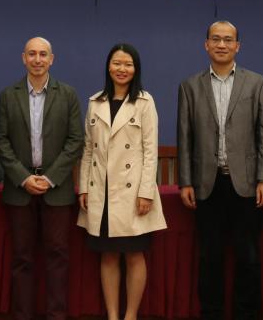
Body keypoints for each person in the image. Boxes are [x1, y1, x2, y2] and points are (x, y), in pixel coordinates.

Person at [176, 20, 263, 320]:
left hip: (246, 184)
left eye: (228, 39)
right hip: (207, 184)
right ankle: (212, 313)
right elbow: (185, 137)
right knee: (209, 256)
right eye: (216, 39)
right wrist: (185, 182)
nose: (222, 44)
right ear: (206, 44)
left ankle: (247, 314)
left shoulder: (257, 83)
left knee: (248, 256)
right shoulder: (190, 86)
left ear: (237, 46)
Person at [0, 37, 83, 320]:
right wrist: (24, 178)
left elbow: (75, 140)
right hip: (19, 190)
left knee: (58, 256)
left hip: (56, 190)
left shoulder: (67, 94)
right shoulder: (8, 95)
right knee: (22, 257)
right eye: (32, 54)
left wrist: (50, 178)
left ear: (51, 59)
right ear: (23, 58)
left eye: (43, 54)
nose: (37, 59)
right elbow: (1, 141)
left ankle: (56, 315)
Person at [78, 43, 166, 320]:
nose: (122, 69)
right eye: (117, 63)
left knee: (134, 255)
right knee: (108, 256)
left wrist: (146, 192)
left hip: (131, 191)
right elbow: (88, 150)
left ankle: (130, 315)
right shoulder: (95, 102)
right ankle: (113, 315)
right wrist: (84, 187)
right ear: (108, 66)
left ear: (135, 69)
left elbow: (150, 151)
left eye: (128, 64)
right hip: (101, 191)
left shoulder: (144, 102)